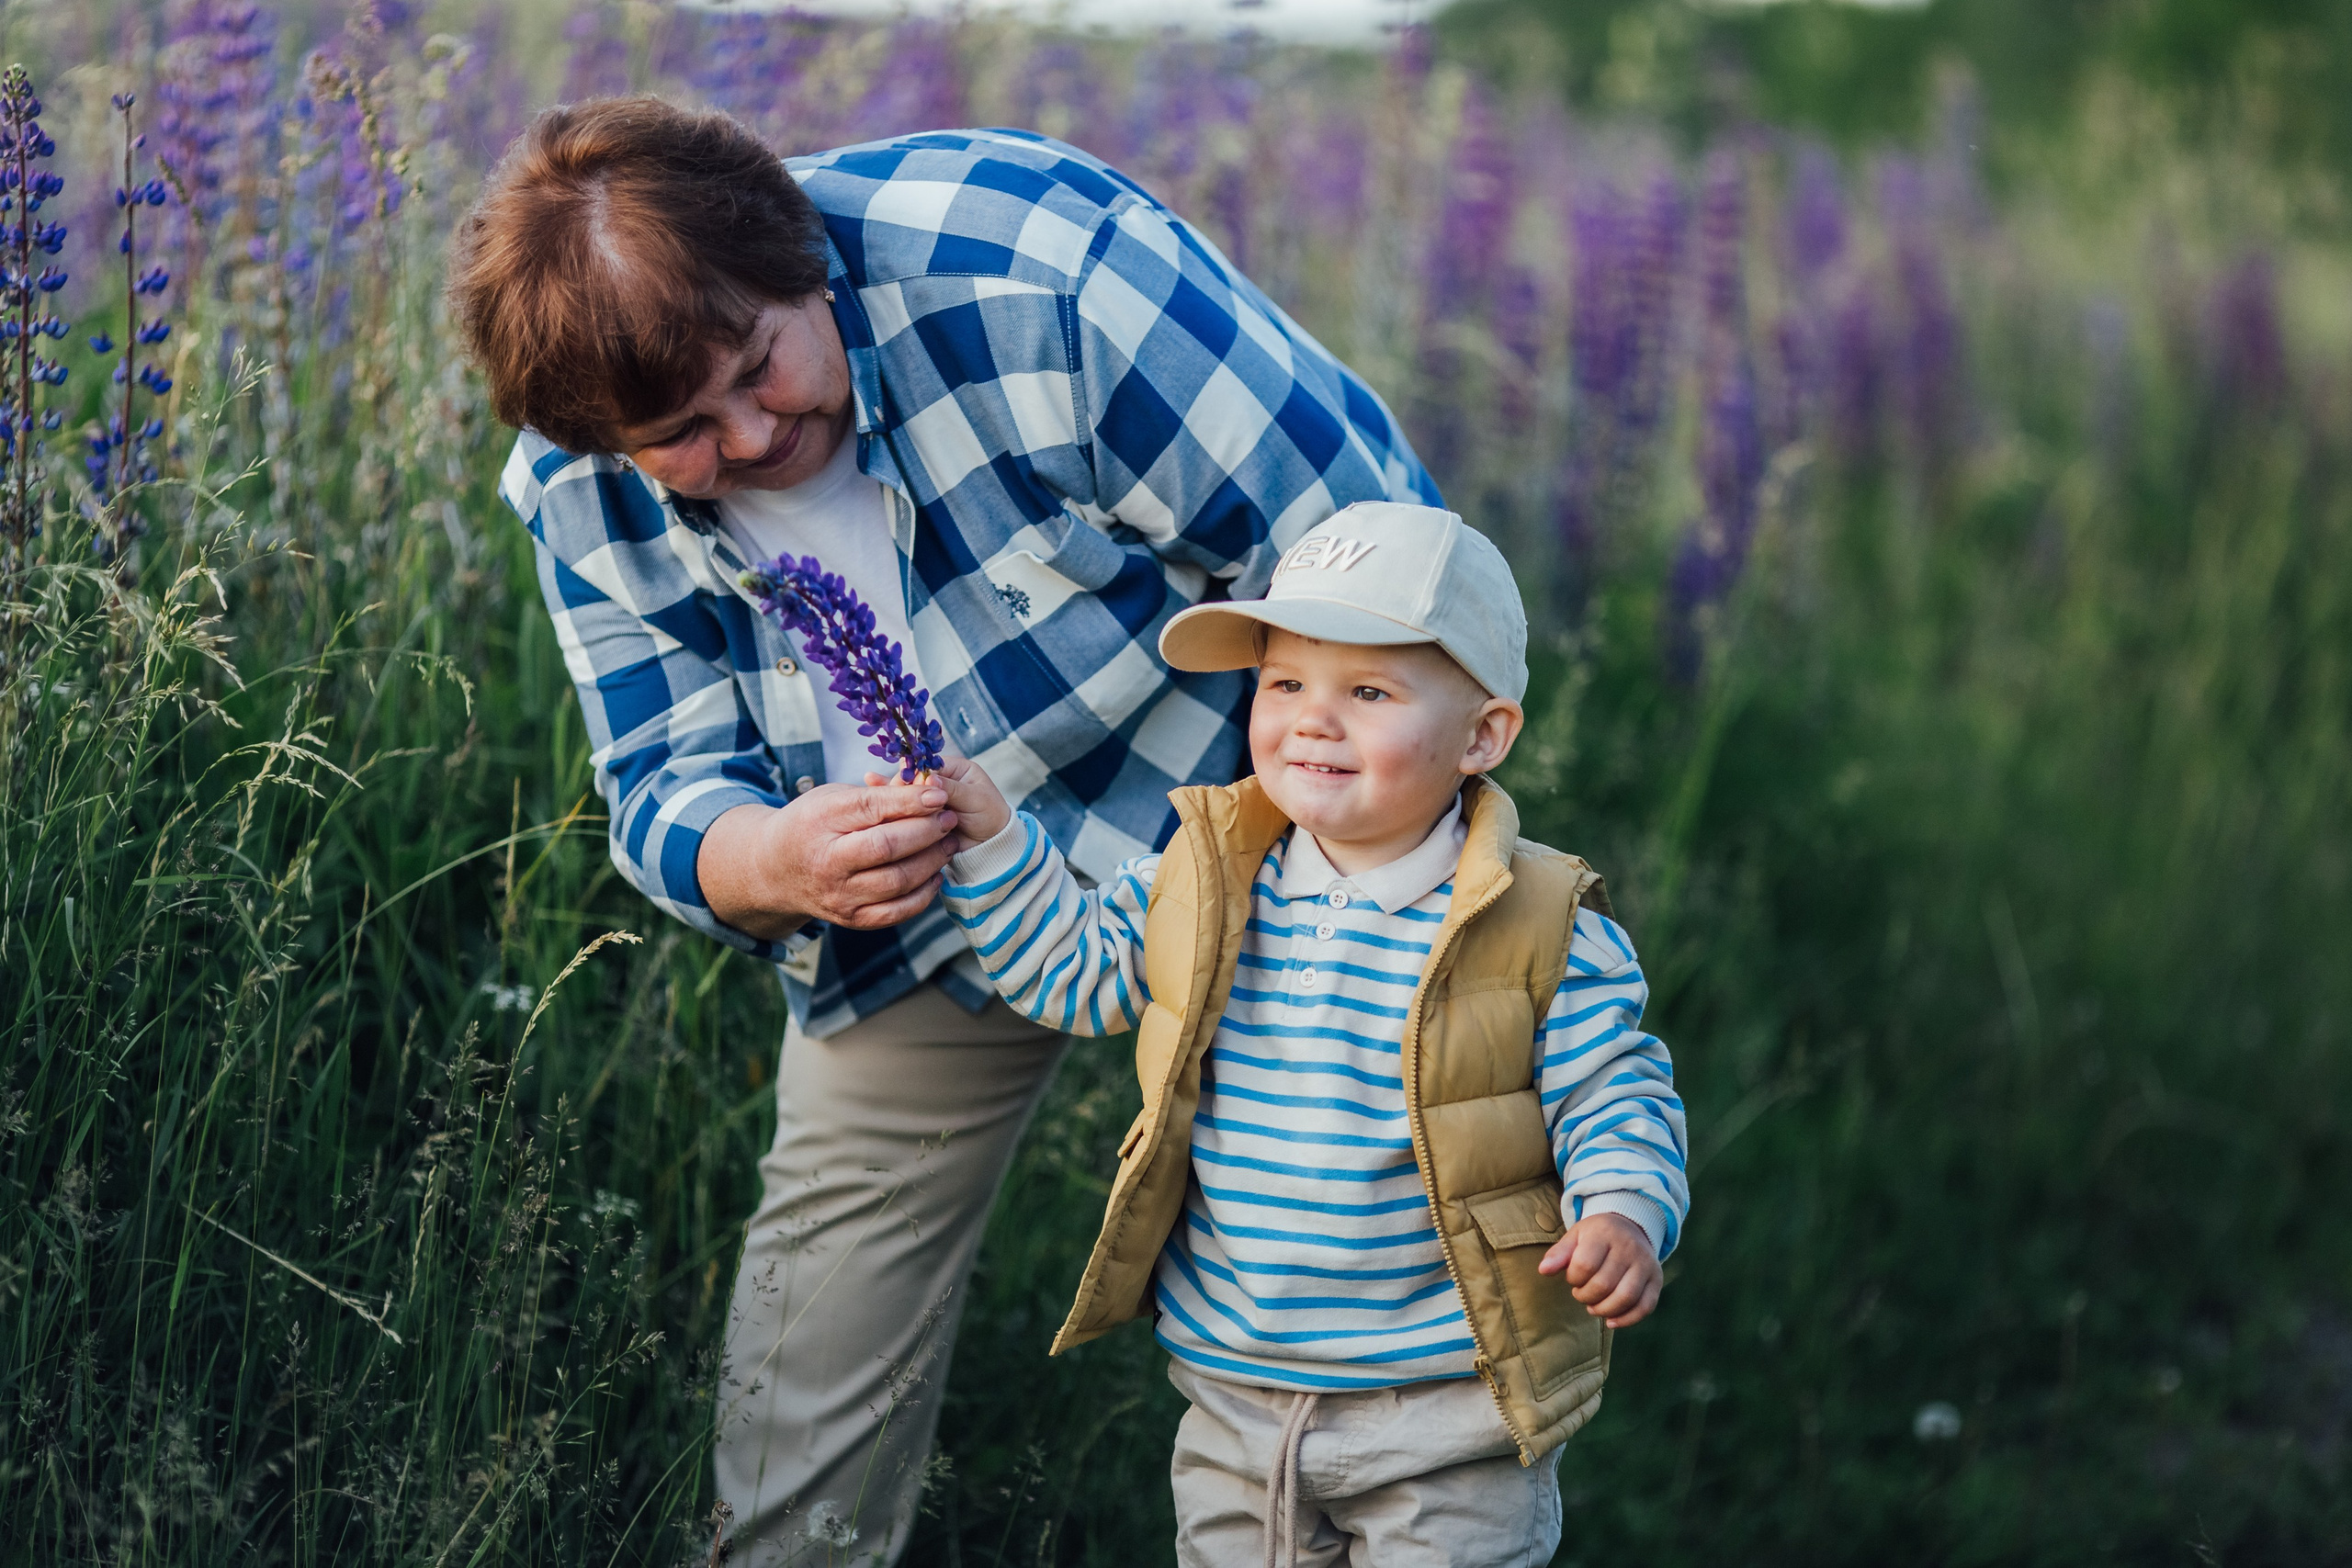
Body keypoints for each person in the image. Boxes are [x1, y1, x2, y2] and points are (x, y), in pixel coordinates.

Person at [447, 96, 1438, 1565]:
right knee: (813, 1347)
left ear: (803, 262)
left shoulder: (1041, 277)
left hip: (1259, 808)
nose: (753, 436)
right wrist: (772, 861)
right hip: (915, 909)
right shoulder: (576, 480)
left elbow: (1374, 552)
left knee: (1363, 1269)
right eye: (682, 437)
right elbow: (657, 781)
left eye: (757, 370)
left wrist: (1296, 850)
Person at [933, 502, 1690, 1567]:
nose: (1310, 721)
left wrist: (1622, 1208)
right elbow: (1073, 967)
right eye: (1284, 683)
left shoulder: (1536, 921)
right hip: (1236, 1394)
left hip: (1443, 1406)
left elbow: (1614, 1090)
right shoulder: (1205, 876)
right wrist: (988, 841)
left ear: (1482, 736)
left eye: (1368, 691)